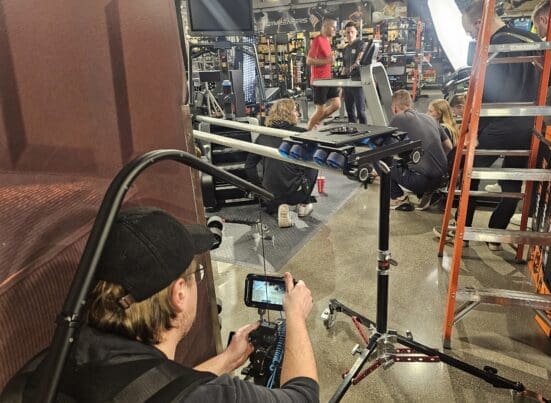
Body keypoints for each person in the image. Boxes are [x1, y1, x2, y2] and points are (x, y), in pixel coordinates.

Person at [4, 207, 318, 401]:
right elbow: (303, 397)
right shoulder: (221, 397)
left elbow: (152, 390)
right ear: (178, 294)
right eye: (195, 273)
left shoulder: (53, 363)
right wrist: (296, 319)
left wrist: (226, 360)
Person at [436, 0, 543, 251]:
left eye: (472, 32)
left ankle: (462, 231)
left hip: (501, 123)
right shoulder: (528, 36)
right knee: (511, 182)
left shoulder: (494, 45)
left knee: (465, 169)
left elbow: (489, 93)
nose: (474, 37)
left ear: (480, 23)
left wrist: (474, 131)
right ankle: (495, 234)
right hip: (528, 124)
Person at [245, 99, 318, 228]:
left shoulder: (263, 135)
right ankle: (303, 204)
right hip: (295, 194)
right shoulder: (301, 134)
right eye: (295, 111)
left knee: (269, 164)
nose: (298, 114)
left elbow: (249, 166)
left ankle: (278, 205)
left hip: (269, 196)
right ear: (288, 113)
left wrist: (260, 189)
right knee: (314, 165)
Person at [387, 90, 449, 211]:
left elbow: (386, 149)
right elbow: (448, 146)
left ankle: (398, 198)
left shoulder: (398, 119)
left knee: (379, 160)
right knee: (415, 160)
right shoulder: (430, 119)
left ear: (394, 108)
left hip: (421, 181)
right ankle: (427, 193)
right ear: (410, 105)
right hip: (442, 179)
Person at [307, 17, 341, 130]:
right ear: (325, 26)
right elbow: (309, 60)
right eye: (333, 27)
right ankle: (307, 132)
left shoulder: (327, 41)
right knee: (320, 110)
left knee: (336, 104)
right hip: (319, 81)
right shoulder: (318, 40)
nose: (335, 30)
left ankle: (317, 121)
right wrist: (328, 61)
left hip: (328, 79)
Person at [341, 22, 367, 124]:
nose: (350, 34)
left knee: (361, 112)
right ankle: (353, 133)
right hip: (347, 84)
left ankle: (365, 136)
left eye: (352, 32)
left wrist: (356, 62)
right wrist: (341, 84)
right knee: (350, 112)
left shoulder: (360, 43)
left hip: (357, 82)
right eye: (347, 32)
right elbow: (344, 67)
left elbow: (360, 55)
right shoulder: (345, 49)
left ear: (356, 32)